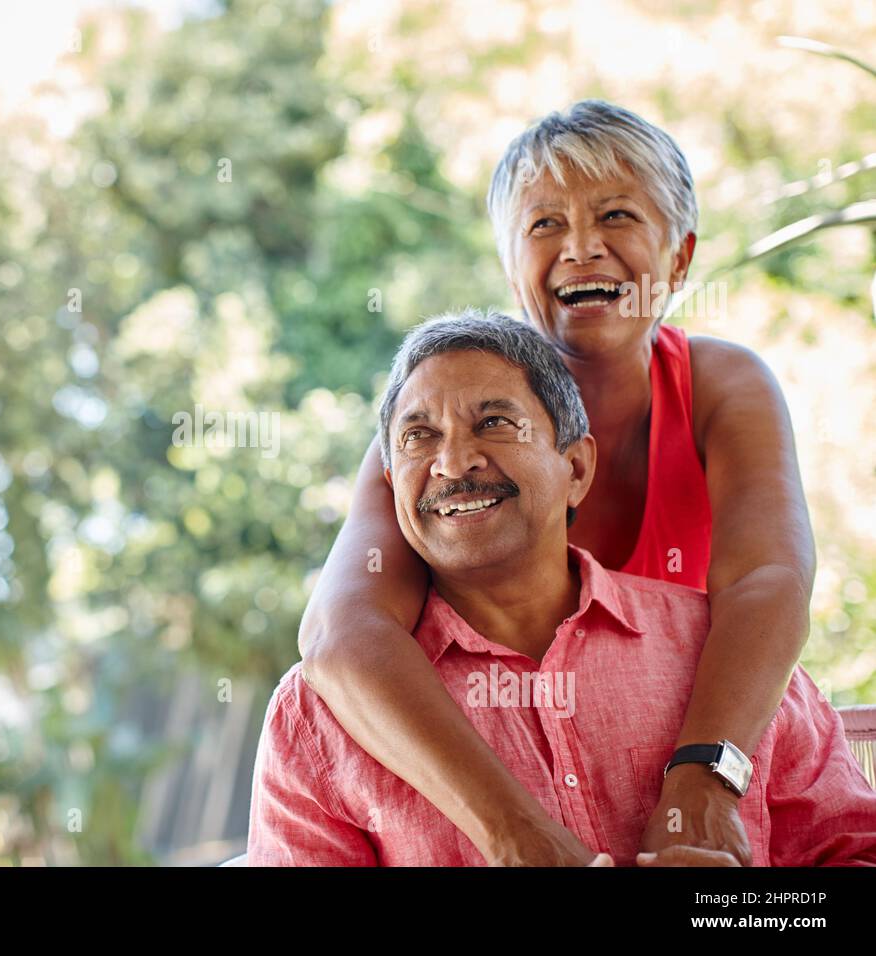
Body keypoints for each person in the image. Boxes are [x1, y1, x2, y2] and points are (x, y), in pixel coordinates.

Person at [296, 101, 817, 865]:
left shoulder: (721, 386)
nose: (581, 249)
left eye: (615, 215)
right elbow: (341, 637)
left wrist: (703, 783)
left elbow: (770, 579)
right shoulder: (436, 436)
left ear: (679, 258)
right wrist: (517, 835)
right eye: (544, 226)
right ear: (512, 269)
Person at [250, 311, 875, 866]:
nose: (453, 462)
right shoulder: (317, 718)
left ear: (576, 467)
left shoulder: (731, 662)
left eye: (493, 422)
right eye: (420, 436)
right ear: (390, 484)